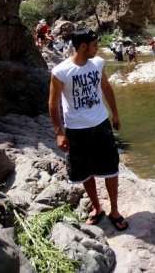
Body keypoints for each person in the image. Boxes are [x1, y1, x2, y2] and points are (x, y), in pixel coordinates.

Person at [48, 29, 128, 231]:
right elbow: (53, 103)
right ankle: (97, 207)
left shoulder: (98, 63)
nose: (97, 48)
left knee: (111, 168)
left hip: (101, 124)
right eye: (95, 45)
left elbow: (106, 87)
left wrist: (115, 114)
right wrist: (59, 132)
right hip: (76, 130)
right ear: (83, 46)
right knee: (84, 171)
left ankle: (115, 210)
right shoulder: (60, 72)